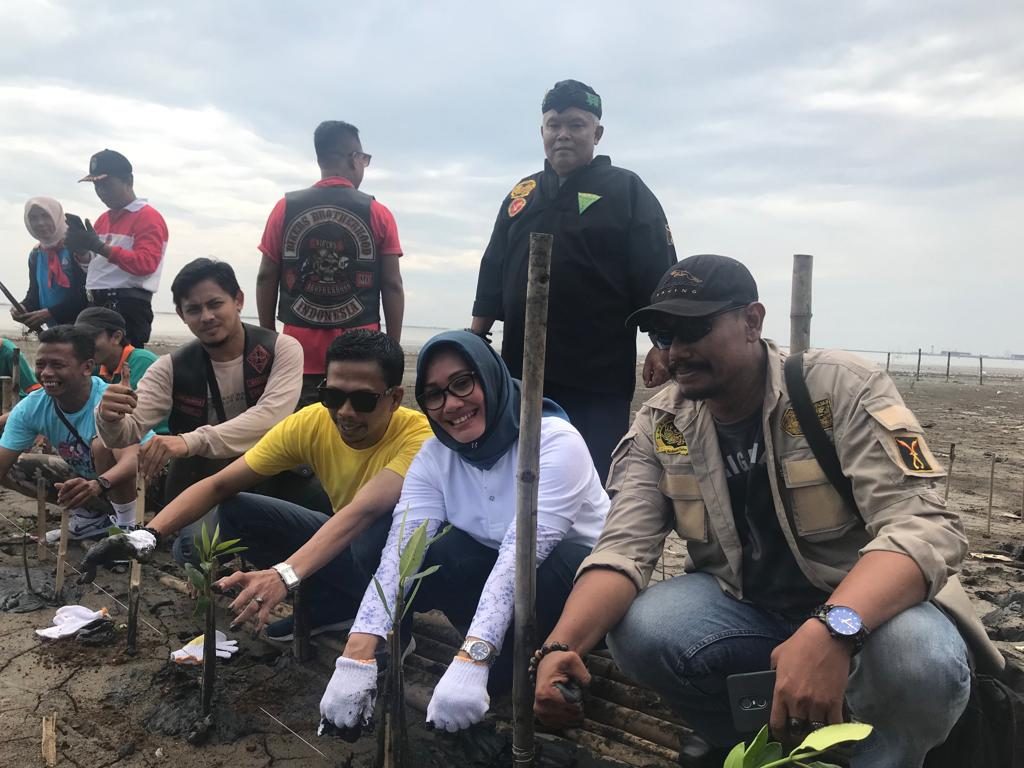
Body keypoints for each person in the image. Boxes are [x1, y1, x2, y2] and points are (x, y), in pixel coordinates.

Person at [531, 255, 1001, 768]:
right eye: (662, 334)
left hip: (867, 614)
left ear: (752, 321)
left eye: (694, 328)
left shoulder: (838, 388)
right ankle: (752, 740)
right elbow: (623, 548)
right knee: (642, 629)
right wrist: (560, 645)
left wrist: (831, 629)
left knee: (918, 658)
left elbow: (923, 526)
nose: (676, 351)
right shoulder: (661, 423)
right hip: (749, 610)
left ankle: (881, 756)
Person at [318, 330, 608, 735]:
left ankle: (536, 655)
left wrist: (474, 657)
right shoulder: (435, 457)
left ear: (489, 376)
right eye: (434, 394)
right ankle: (494, 654)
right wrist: (356, 655)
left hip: (571, 586)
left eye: (462, 383)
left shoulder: (553, 442)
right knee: (385, 541)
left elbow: (519, 558)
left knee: (551, 567)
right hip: (495, 573)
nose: (452, 404)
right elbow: (401, 553)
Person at [82, 331, 432, 644]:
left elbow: (363, 512)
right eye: (333, 396)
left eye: (364, 401)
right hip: (347, 546)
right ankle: (333, 603)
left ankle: (391, 632)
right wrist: (147, 535)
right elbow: (219, 485)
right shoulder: (312, 422)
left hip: (406, 569)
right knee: (236, 512)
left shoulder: (420, 438)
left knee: (375, 532)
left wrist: (284, 574)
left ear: (395, 398)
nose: (345, 412)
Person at [471, 79, 677, 481]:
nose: (563, 134)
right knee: (522, 472)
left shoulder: (627, 190)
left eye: (576, 125)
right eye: (554, 124)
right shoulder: (523, 194)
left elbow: (655, 269)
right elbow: (494, 265)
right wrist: (476, 336)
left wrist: (664, 343)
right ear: (542, 131)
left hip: (597, 375)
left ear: (597, 133)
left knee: (590, 475)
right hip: (521, 369)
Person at [94, 257, 304, 563]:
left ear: (238, 300)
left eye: (215, 304)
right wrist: (108, 415)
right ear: (181, 315)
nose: (207, 317)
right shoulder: (170, 367)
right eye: (193, 309)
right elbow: (125, 434)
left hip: (275, 471)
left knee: (317, 517)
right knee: (193, 551)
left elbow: (271, 417)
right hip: (207, 482)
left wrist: (188, 441)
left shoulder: (281, 349)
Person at [256, 120, 405, 406]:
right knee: (357, 430)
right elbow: (392, 284)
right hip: (363, 357)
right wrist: (392, 350)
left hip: (297, 355)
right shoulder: (378, 212)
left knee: (301, 430)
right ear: (353, 158)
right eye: (364, 159)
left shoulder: (284, 208)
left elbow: (266, 276)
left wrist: (269, 338)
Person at [0, 325, 146, 541]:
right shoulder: (32, 406)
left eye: (57, 365)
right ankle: (92, 519)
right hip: (90, 482)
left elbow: (133, 460)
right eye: (40, 364)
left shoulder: (109, 400)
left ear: (87, 367)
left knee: (101, 445)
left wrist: (99, 484)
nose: (46, 373)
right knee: (14, 467)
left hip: (142, 485)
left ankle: (127, 527)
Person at [67, 149, 169, 348]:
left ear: (128, 181)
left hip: (126, 306)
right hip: (96, 303)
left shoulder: (148, 217)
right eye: (96, 185)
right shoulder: (103, 219)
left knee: (122, 363)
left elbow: (146, 264)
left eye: (106, 184)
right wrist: (81, 252)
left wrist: (100, 247)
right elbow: (95, 266)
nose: (101, 191)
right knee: (89, 361)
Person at [13, 197, 88, 331]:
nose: (40, 223)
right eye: (33, 218)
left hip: (81, 328)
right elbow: (35, 293)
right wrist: (23, 307)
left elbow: (86, 294)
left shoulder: (77, 249)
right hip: (54, 331)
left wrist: (52, 313)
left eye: (45, 216)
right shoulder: (36, 254)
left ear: (57, 216)